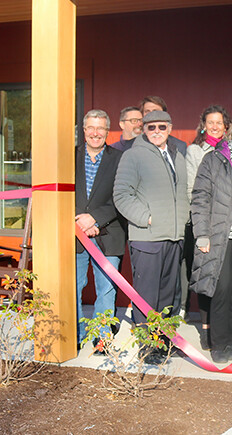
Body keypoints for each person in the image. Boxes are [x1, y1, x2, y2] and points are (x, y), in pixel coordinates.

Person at [113, 110, 188, 364]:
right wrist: (148, 218)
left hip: (174, 237)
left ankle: (165, 342)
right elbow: (122, 195)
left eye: (162, 127)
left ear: (170, 127)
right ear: (143, 129)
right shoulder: (133, 156)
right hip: (148, 238)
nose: (157, 131)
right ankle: (147, 348)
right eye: (151, 127)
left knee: (169, 295)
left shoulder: (176, 155)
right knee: (147, 297)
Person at [189, 110, 232, 364]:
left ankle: (231, 337)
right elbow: (200, 197)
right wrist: (202, 234)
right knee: (221, 288)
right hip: (220, 234)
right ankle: (220, 344)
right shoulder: (214, 159)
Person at [76, 109, 125, 350]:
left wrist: (95, 219)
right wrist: (79, 222)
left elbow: (122, 196)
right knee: (73, 285)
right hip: (73, 234)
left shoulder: (119, 158)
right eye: (91, 128)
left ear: (107, 131)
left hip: (108, 234)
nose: (96, 133)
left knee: (106, 288)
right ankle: (74, 334)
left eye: (101, 128)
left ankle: (101, 337)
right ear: (84, 130)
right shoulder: (69, 157)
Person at [184, 105, 231, 346]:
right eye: (210, 122)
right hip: (204, 222)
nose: (214, 126)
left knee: (223, 279)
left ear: (226, 126)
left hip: (226, 223)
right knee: (206, 276)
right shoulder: (194, 151)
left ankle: (220, 325)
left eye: (219, 122)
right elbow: (193, 188)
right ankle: (205, 327)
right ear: (203, 125)